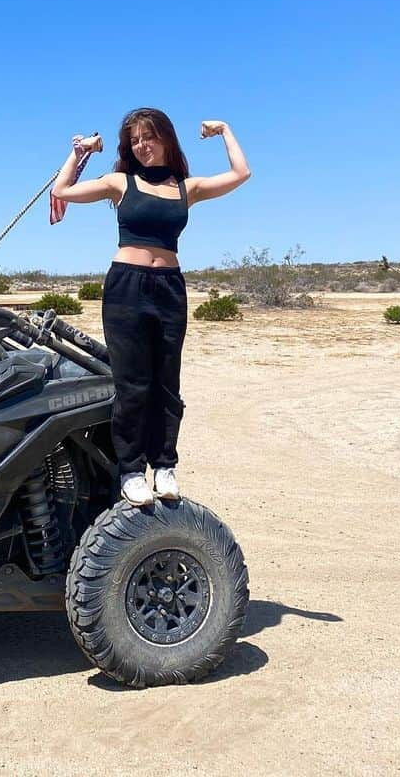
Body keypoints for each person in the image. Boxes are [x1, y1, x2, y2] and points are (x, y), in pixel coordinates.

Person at [50, 108, 251, 506]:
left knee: (166, 381)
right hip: (127, 287)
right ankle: (131, 470)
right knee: (132, 382)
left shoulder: (184, 188)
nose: (142, 146)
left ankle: (164, 465)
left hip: (170, 288)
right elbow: (62, 191)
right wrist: (80, 152)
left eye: (149, 138)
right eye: (135, 141)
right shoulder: (119, 182)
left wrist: (226, 129)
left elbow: (240, 174)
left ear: (165, 139)